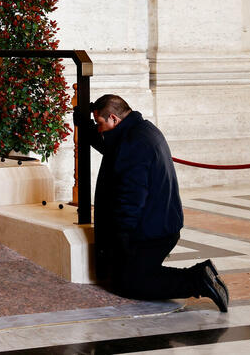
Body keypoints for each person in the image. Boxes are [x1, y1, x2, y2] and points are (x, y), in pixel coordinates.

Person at [86, 94, 229, 311]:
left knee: (130, 283)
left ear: (114, 119)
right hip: (159, 225)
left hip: (151, 233)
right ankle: (201, 275)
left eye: (99, 123)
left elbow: (131, 198)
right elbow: (116, 152)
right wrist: (87, 129)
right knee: (125, 276)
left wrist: (122, 241)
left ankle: (198, 279)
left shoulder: (133, 143)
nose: (99, 129)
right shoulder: (140, 131)